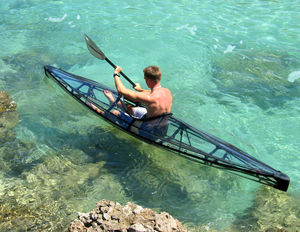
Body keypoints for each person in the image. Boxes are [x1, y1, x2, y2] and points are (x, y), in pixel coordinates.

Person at [90, 65, 172, 123]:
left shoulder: (150, 98)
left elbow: (121, 90)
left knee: (115, 113)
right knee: (132, 108)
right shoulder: (167, 91)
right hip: (160, 126)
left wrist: (116, 73)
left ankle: (100, 111)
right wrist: (140, 89)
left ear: (149, 80)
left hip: (147, 130)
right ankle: (113, 101)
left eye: (145, 79)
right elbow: (152, 92)